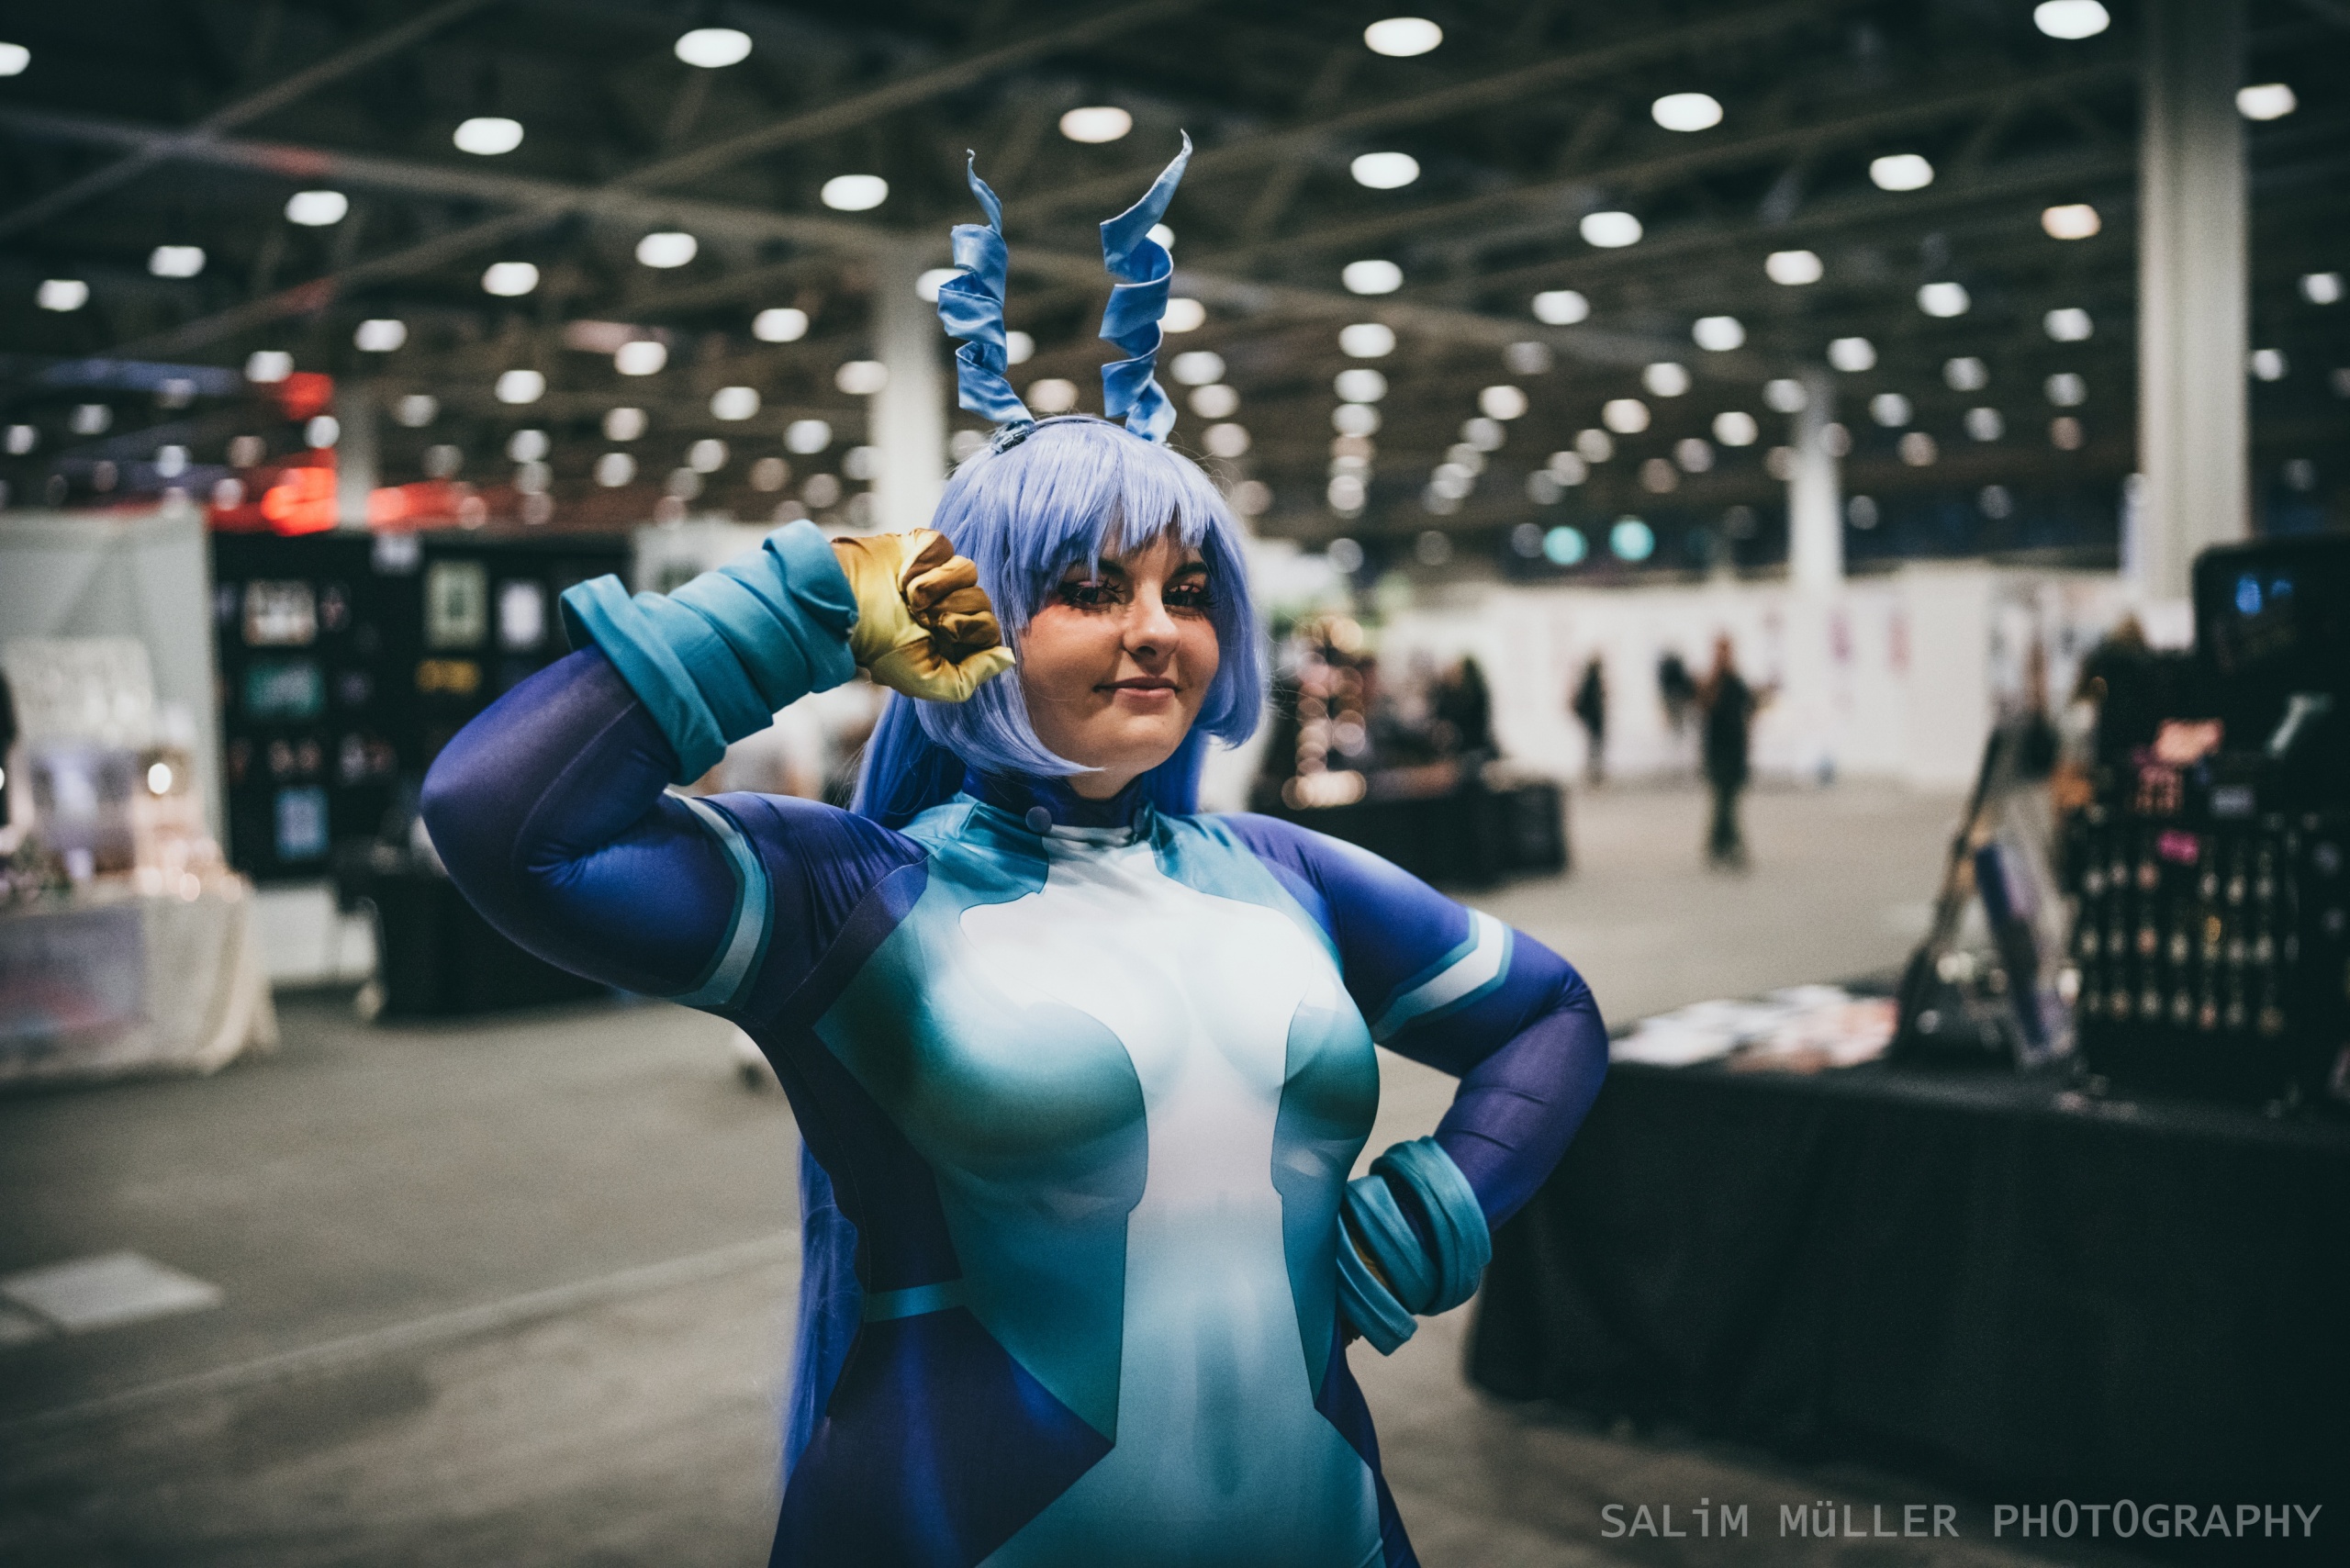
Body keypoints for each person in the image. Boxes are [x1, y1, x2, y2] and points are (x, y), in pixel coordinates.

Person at [419, 144, 1607, 1568]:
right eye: (1089, 588)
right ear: (971, 617)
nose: (1155, 629)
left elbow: (1550, 1014)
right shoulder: (854, 903)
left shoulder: (1282, 875)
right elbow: (506, 824)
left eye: (1186, 589)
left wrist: (1440, 1205)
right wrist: (832, 599)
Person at [1699, 633, 1756, 868]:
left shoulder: (1735, 681)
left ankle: (1718, 845)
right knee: (1724, 801)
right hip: (1718, 751)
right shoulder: (1713, 682)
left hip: (1734, 750)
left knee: (1727, 801)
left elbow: (1748, 708)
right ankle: (1727, 844)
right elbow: (1705, 707)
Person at [1571, 655, 1606, 783]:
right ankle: (1594, 776)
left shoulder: (1590, 680)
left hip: (1594, 720)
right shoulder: (1592, 681)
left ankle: (1594, 776)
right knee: (1594, 750)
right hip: (1594, 720)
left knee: (1594, 749)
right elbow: (1592, 703)